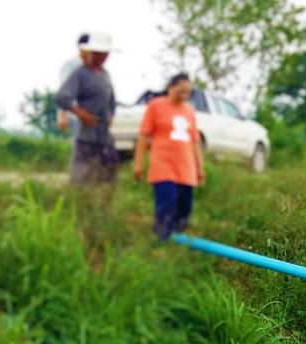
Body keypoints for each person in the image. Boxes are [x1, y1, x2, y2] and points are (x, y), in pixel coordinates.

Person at [133, 73, 206, 241]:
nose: (184, 96)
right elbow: (144, 136)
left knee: (184, 209)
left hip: (186, 169)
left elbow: (195, 142)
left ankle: (177, 242)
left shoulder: (189, 111)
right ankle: (162, 242)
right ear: (170, 88)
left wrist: (199, 169)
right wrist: (138, 164)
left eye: (188, 93)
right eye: (180, 91)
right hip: (163, 166)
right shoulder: (156, 106)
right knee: (167, 205)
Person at [55, 32, 118, 185]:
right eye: (100, 54)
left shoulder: (104, 74)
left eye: (106, 54)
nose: (104, 57)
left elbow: (111, 98)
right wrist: (81, 114)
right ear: (92, 53)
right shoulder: (79, 73)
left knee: (106, 175)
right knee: (83, 174)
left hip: (104, 135)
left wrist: (110, 115)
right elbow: (62, 97)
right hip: (86, 135)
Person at [57, 33, 89, 133]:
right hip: (75, 116)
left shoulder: (96, 69)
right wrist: (63, 115)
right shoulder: (71, 66)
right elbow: (64, 92)